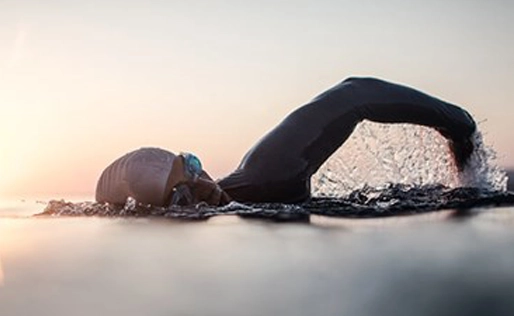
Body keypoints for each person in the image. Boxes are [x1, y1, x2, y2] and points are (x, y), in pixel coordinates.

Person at [95, 77, 477, 207]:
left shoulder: (268, 174)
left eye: (192, 165)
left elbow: (354, 93)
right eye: (182, 195)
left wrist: (458, 127)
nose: (203, 184)